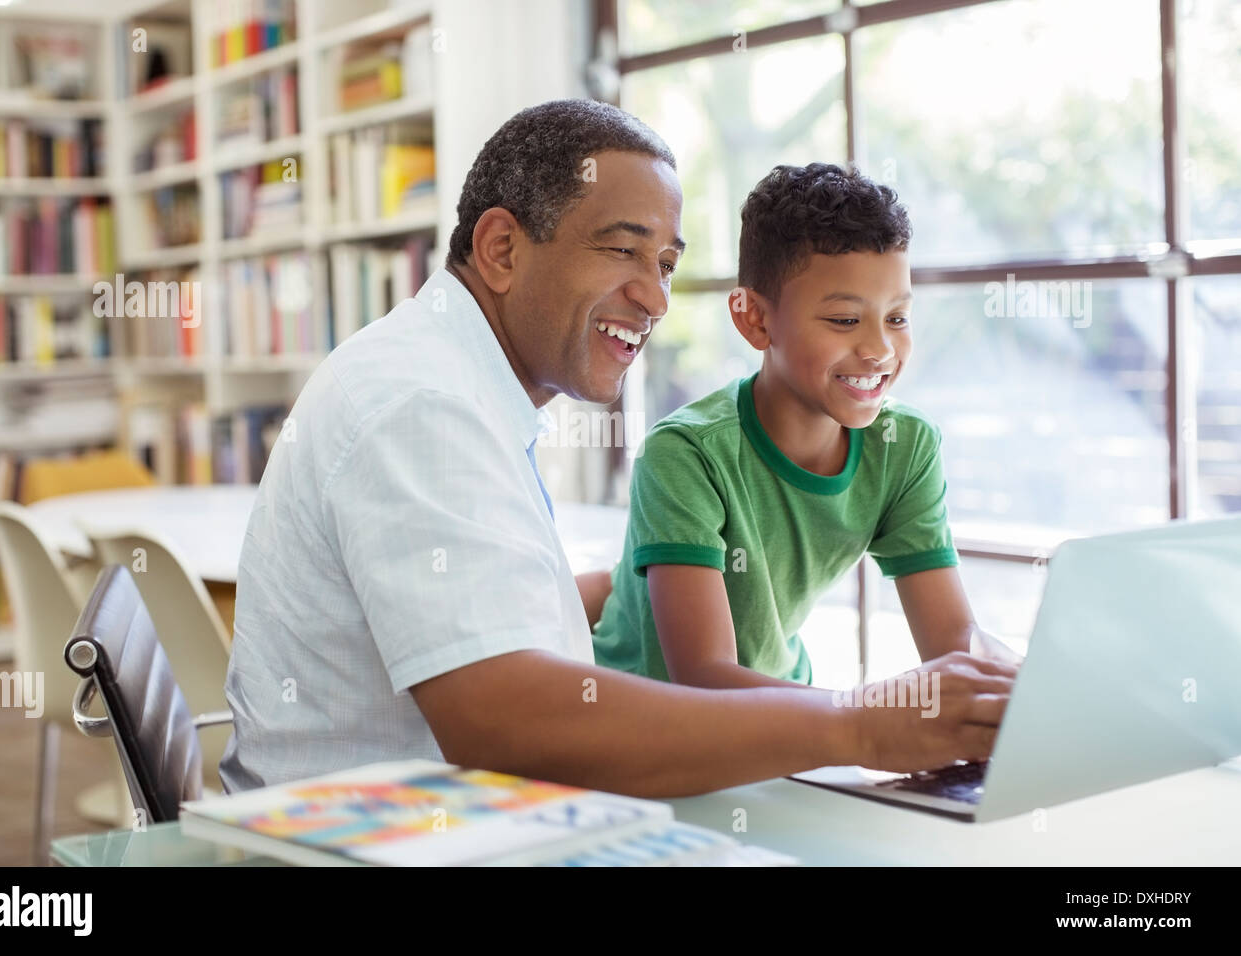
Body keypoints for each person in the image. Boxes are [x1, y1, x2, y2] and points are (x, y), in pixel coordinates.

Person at [220, 101, 1016, 799]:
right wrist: (861, 726)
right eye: (622, 250)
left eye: (666, 263)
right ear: (501, 249)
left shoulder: (453, 384)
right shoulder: (422, 404)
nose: (655, 296)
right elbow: (503, 722)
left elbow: (494, 611)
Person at [593, 162, 1022, 690]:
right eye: (844, 320)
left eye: (897, 318)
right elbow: (705, 681)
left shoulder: (904, 446)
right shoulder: (686, 454)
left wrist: (1020, 683)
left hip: (791, 703)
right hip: (654, 731)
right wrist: (870, 719)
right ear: (755, 319)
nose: (879, 350)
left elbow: (956, 645)